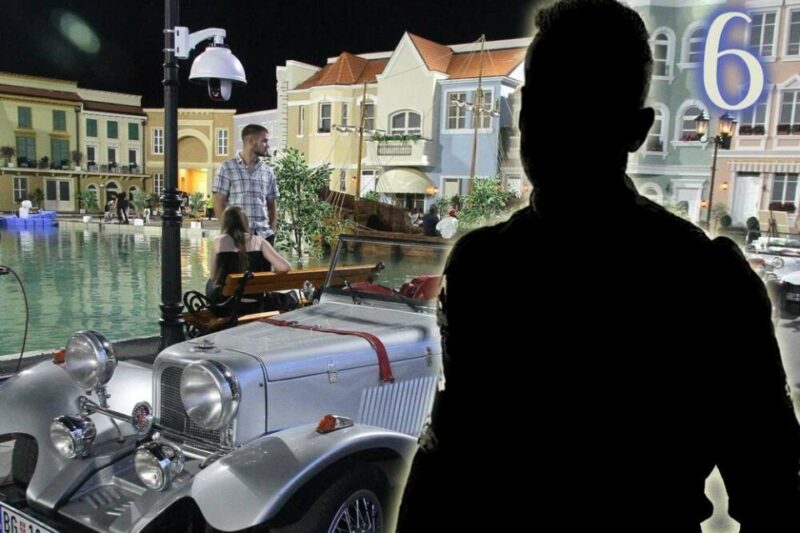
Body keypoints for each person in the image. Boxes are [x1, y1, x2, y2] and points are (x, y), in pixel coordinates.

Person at [397, 1, 800, 531]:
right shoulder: (706, 278)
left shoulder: (487, 265)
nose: (548, 125)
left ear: (635, 129)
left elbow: (445, 460)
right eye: (540, 102)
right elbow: (449, 451)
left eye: (580, 106)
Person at [206, 206, 290, 303]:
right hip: (256, 303)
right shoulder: (259, 241)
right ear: (245, 221)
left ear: (226, 222)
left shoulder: (219, 242)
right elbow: (285, 267)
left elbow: (213, 276)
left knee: (210, 283)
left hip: (227, 305)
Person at [213, 124, 279, 246]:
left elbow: (272, 205)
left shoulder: (268, 171)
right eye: (264, 141)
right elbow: (218, 202)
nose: (267, 145)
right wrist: (229, 231)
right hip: (237, 238)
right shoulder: (227, 168)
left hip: (264, 237)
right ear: (251, 141)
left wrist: (272, 231)